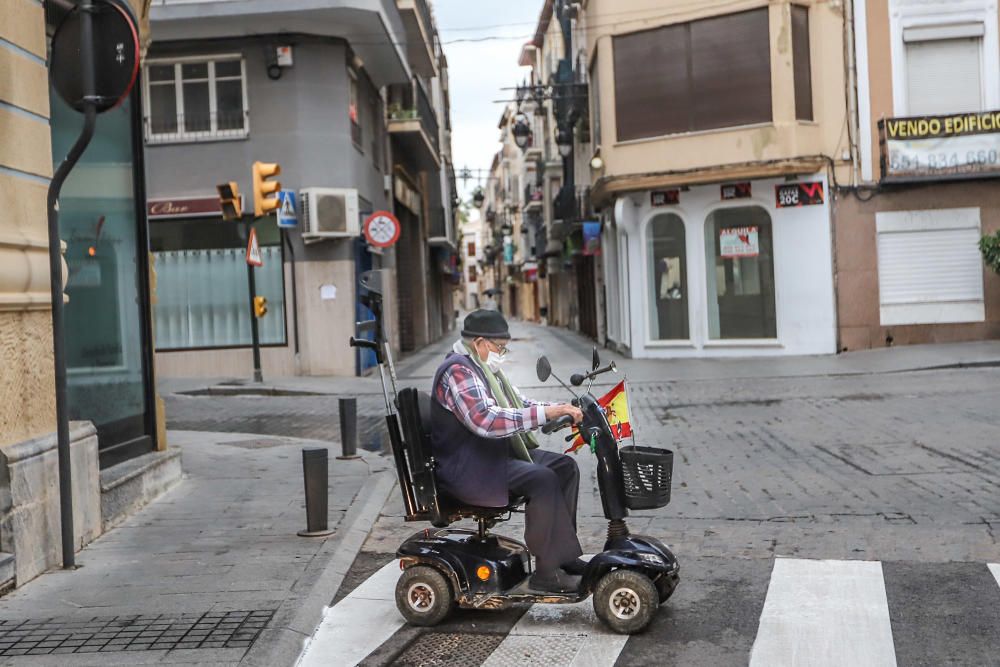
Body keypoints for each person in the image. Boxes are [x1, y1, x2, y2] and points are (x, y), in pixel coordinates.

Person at [430, 310, 587, 593]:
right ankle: (546, 573)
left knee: (565, 467)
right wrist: (546, 413)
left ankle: (564, 557)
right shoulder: (458, 371)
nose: (502, 353)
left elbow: (520, 403)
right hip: (470, 467)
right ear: (480, 343)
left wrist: (560, 409)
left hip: (491, 456)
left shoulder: (486, 369)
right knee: (542, 478)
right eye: (500, 347)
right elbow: (485, 420)